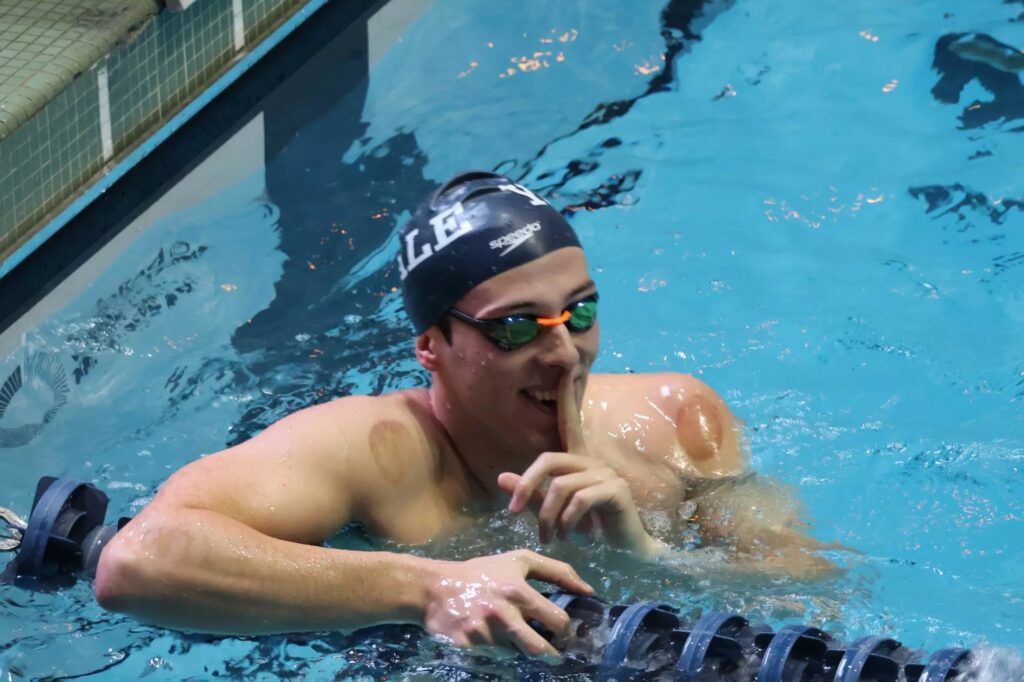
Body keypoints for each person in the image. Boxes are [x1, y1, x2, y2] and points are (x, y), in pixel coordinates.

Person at [95, 171, 831, 656]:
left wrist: (647, 558)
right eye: (515, 328)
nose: (565, 357)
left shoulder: (678, 421)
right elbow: (139, 561)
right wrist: (430, 588)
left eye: (579, 313)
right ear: (431, 346)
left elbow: (816, 595)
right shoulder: (374, 451)